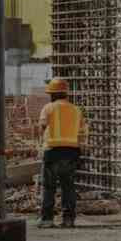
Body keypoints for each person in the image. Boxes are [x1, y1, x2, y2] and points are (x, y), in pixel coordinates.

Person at [37, 77, 86, 228]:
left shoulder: (48, 108)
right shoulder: (76, 110)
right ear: (66, 93)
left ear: (52, 94)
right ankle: (68, 219)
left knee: (49, 186)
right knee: (68, 186)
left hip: (52, 151)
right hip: (71, 152)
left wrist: (40, 145)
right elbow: (82, 133)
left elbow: (42, 127)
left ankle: (47, 220)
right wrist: (80, 150)